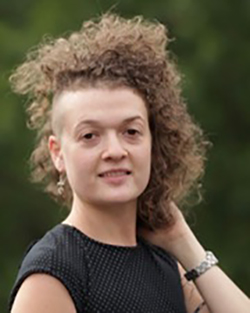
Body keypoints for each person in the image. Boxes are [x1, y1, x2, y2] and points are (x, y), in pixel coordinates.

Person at [8, 13, 250, 313]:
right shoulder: (52, 273)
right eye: (90, 135)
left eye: (131, 132)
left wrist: (183, 242)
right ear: (58, 153)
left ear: (153, 142)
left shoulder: (166, 261)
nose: (114, 150)